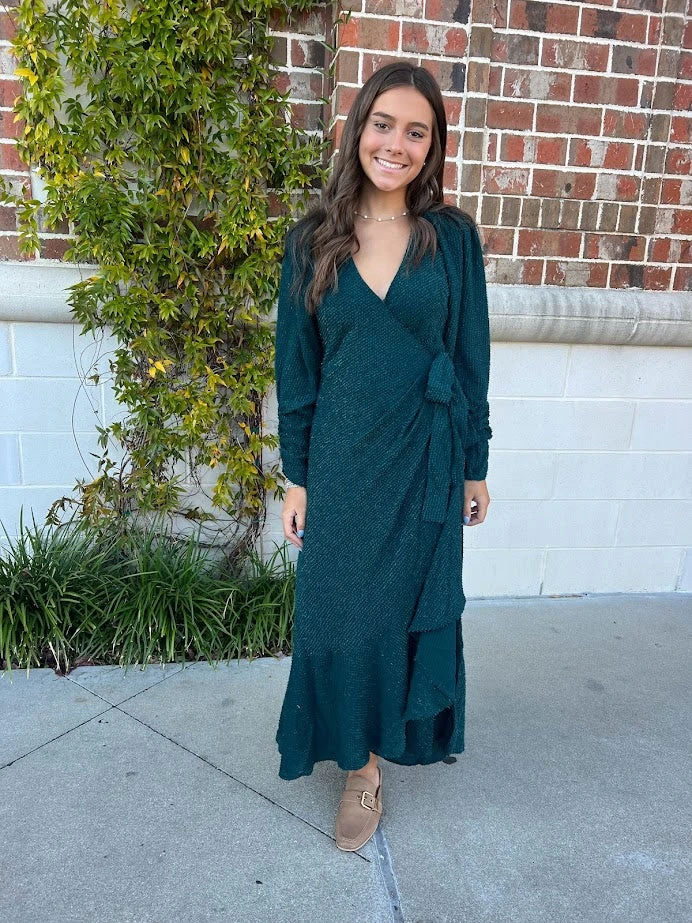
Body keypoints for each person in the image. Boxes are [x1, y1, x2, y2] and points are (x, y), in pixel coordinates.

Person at [273, 61, 492, 852]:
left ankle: (374, 759)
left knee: (401, 608)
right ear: (358, 128)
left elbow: (470, 358)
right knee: (337, 609)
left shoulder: (453, 240)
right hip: (343, 461)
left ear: (432, 147)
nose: (396, 144)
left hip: (426, 458)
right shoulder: (312, 241)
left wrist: (475, 462)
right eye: (383, 124)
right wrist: (296, 477)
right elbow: (297, 371)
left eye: (416, 132)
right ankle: (355, 761)